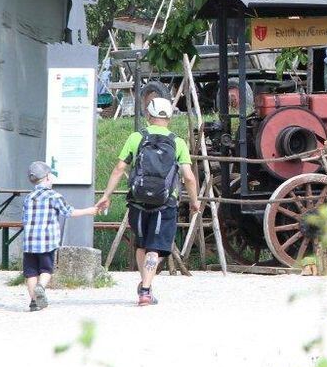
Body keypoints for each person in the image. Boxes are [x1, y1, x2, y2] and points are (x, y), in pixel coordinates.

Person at [97, 96, 199, 306]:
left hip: (137, 201)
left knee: (142, 245)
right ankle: (145, 289)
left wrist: (106, 196)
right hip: (165, 203)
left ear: (148, 115)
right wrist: (195, 202)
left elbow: (119, 169)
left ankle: (145, 283)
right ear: (170, 117)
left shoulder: (136, 138)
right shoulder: (177, 142)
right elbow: (188, 177)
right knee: (157, 248)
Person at [21, 161, 98, 311]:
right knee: (46, 269)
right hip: (47, 241)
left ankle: (34, 302)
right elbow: (69, 212)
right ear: (48, 177)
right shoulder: (54, 196)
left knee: (31, 272)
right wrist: (89, 210)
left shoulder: (28, 198)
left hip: (29, 243)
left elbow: (24, 219)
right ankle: (41, 287)